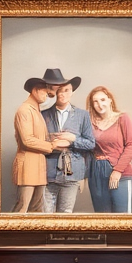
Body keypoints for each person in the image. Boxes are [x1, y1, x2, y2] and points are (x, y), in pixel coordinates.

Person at [38, 68, 95, 214]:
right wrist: (52, 143)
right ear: (54, 92)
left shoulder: (83, 115)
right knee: (45, 216)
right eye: (59, 90)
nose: (62, 94)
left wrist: (72, 140)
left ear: (72, 92)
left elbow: (90, 143)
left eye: (66, 90)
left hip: (72, 174)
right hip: (47, 174)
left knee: (66, 215)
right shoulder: (43, 115)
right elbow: (36, 142)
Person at [86, 84, 132, 213]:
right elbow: (86, 148)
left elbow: (131, 145)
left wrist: (118, 171)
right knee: (102, 220)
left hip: (120, 174)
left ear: (109, 100)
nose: (99, 104)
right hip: (96, 174)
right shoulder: (90, 123)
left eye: (102, 100)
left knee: (123, 219)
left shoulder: (122, 118)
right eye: (95, 102)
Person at [11, 76, 54, 213]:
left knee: (36, 210)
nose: (47, 97)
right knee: (22, 208)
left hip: (39, 166)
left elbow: (39, 137)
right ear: (35, 90)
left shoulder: (36, 111)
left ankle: (31, 235)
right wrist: (52, 145)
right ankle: (12, 234)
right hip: (28, 165)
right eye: (45, 93)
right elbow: (27, 140)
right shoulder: (25, 110)